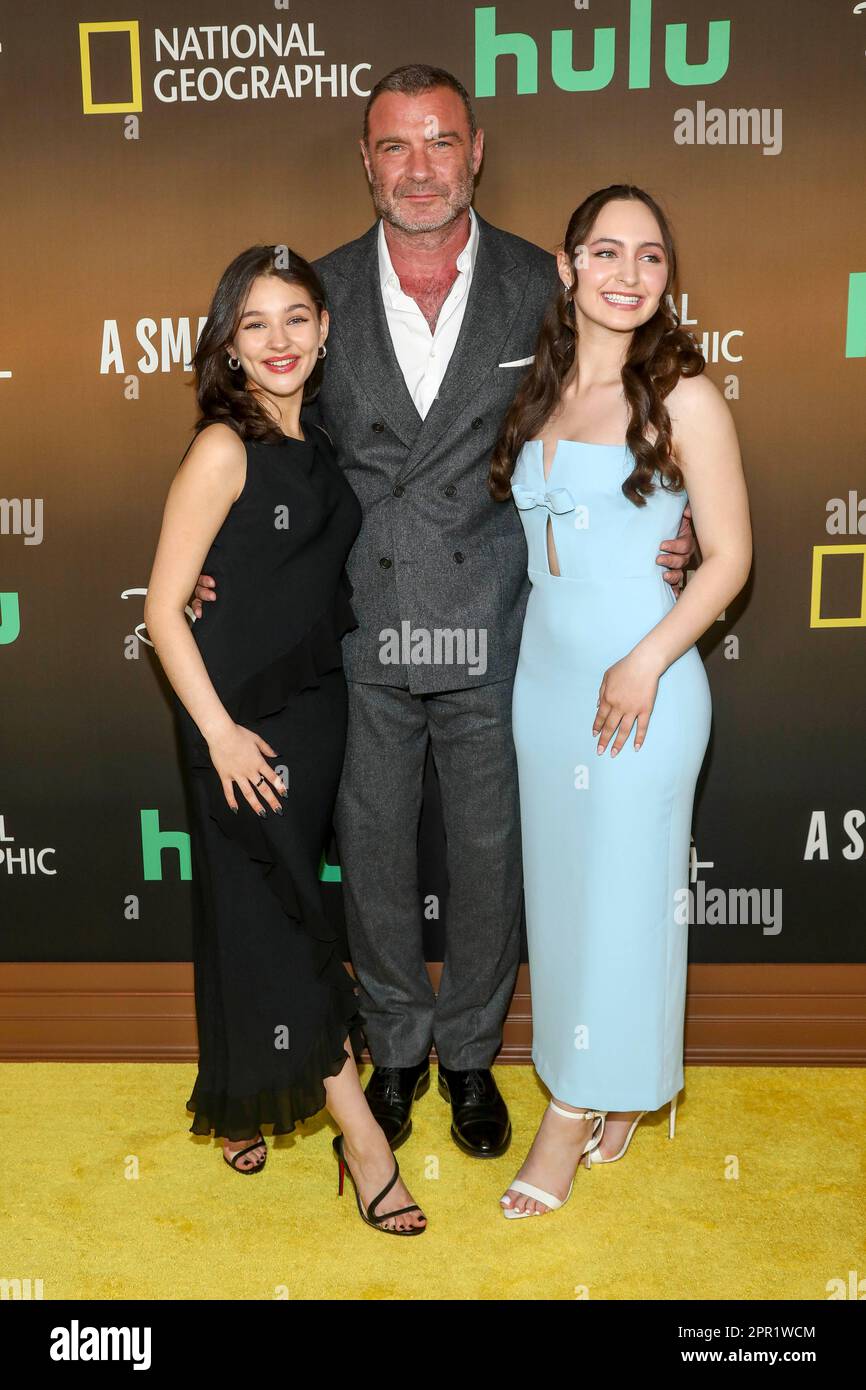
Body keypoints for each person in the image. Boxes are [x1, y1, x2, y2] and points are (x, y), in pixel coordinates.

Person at [192, 65, 695, 1160]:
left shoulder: (540, 282)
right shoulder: (314, 294)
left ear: (476, 152)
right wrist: (202, 564)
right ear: (364, 163)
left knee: (486, 850)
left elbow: (628, 395)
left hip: (501, 621)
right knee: (368, 853)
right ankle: (399, 1050)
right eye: (393, 147)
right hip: (359, 626)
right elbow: (263, 445)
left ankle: (469, 1055)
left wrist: (680, 513)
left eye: (438, 143)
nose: (417, 168)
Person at [144, 246, 427, 1234]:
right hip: (231, 717)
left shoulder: (317, 442)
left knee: (254, 908)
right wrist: (218, 732)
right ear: (227, 340)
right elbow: (164, 609)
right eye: (255, 323)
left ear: (324, 329)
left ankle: (240, 1091)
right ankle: (363, 1143)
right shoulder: (222, 448)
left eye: (296, 318)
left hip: (311, 710)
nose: (278, 340)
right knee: (286, 920)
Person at [488, 185, 752, 1218]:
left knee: (620, 900)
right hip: (544, 689)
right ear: (566, 266)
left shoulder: (682, 394)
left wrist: (644, 657)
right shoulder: (539, 391)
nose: (627, 274)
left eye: (648, 256)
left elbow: (726, 558)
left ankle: (571, 1108)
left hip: (642, 689)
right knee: (563, 904)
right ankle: (615, 1082)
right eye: (605, 251)